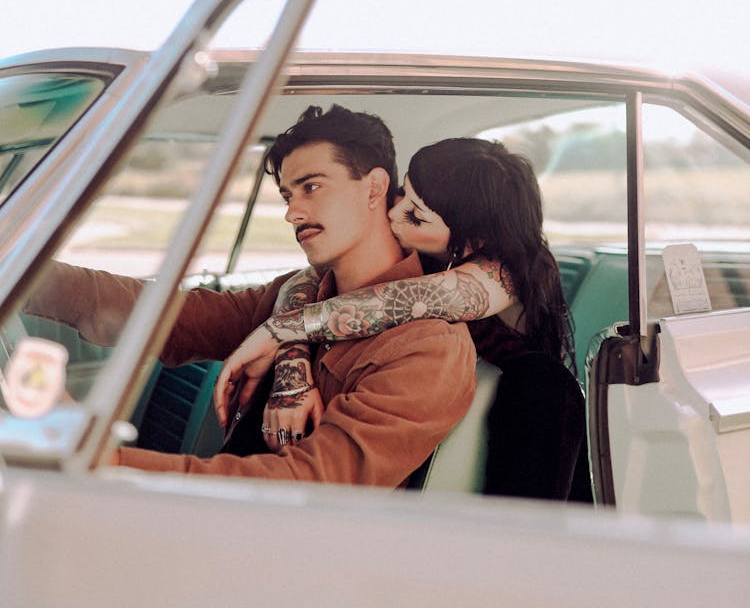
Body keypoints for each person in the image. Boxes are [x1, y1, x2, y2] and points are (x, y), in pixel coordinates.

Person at [26, 105, 476, 487]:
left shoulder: (428, 345)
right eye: (286, 194)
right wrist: (31, 279)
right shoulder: (296, 294)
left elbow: (310, 485)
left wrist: (113, 461)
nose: (291, 212)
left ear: (375, 187)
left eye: (311, 187)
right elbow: (177, 317)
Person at [214, 137, 586, 502]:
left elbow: (408, 301)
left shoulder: (503, 272)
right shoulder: (426, 241)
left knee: (544, 389)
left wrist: (278, 330)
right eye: (401, 192)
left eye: (415, 214)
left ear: (472, 242)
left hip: (527, 411)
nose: (393, 213)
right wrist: (290, 361)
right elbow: (305, 279)